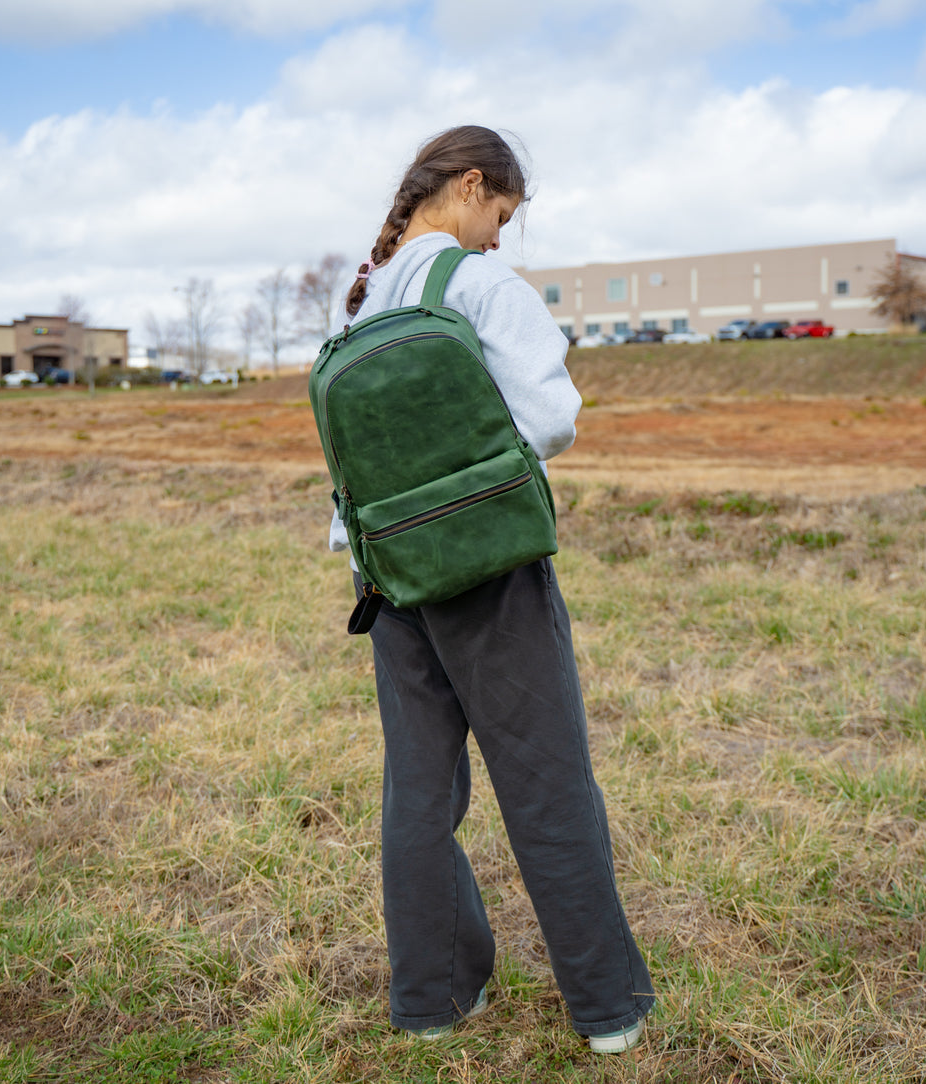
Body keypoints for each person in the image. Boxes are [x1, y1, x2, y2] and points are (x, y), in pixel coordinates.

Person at [328, 125, 655, 1053]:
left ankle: (433, 1000)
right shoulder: (474, 287)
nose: (500, 236)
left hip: (387, 577)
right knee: (548, 784)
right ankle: (608, 1012)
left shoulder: (357, 307)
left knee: (419, 796)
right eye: (501, 214)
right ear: (469, 185)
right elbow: (549, 418)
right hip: (486, 574)